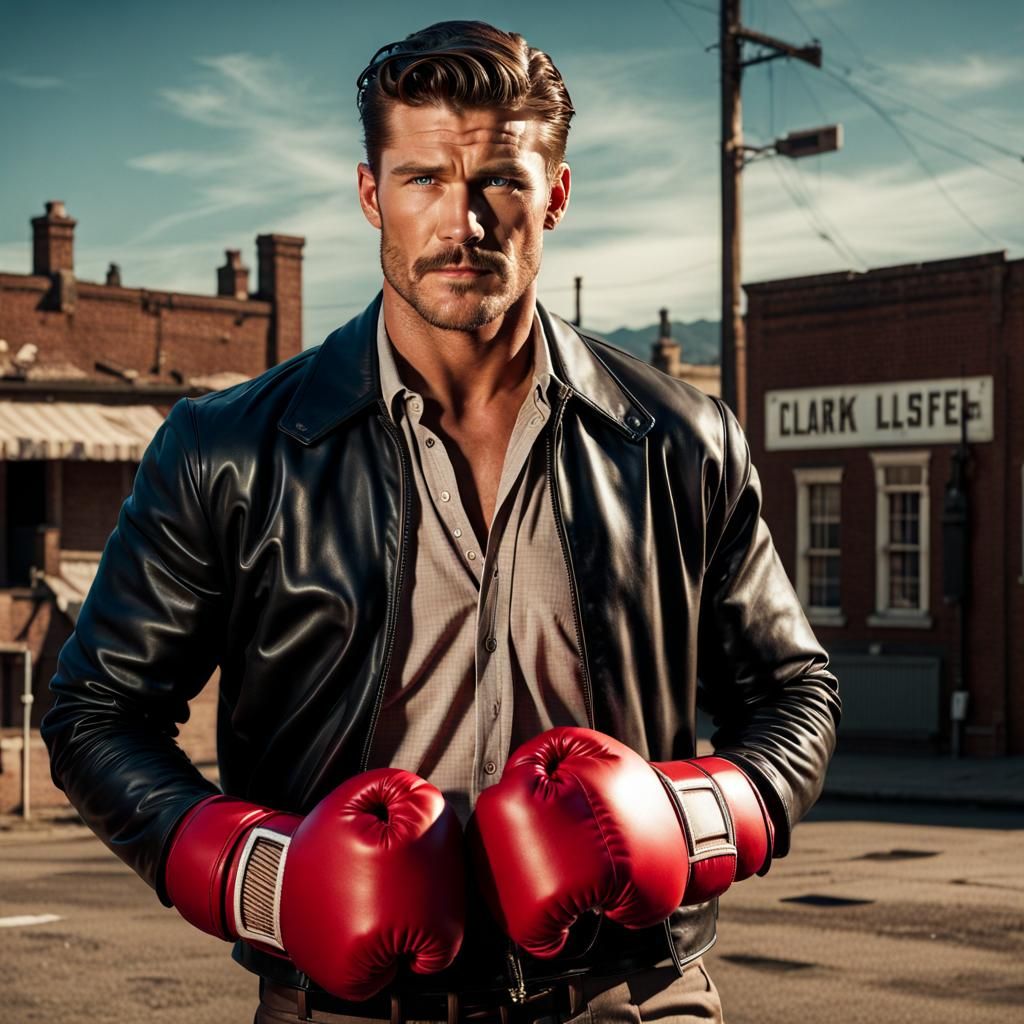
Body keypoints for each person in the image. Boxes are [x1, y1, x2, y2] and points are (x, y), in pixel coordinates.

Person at [42, 20, 841, 1024]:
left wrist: (690, 821)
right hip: (348, 1005)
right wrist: (264, 877)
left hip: (629, 992)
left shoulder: (679, 441)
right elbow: (96, 711)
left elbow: (794, 692)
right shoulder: (230, 448)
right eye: (423, 179)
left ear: (555, 194)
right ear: (371, 193)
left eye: (500, 181)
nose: (462, 223)